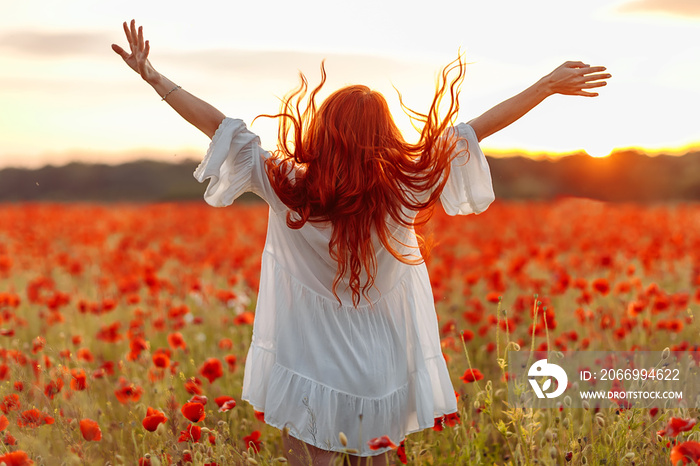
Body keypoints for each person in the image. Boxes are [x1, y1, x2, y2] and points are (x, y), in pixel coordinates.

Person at [113, 20, 610, 466]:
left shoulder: (287, 183)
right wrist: (545, 86)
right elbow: (478, 128)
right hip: (381, 369)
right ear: (385, 136)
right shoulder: (407, 186)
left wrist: (154, 77)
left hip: (307, 362)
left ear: (324, 130)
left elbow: (219, 125)